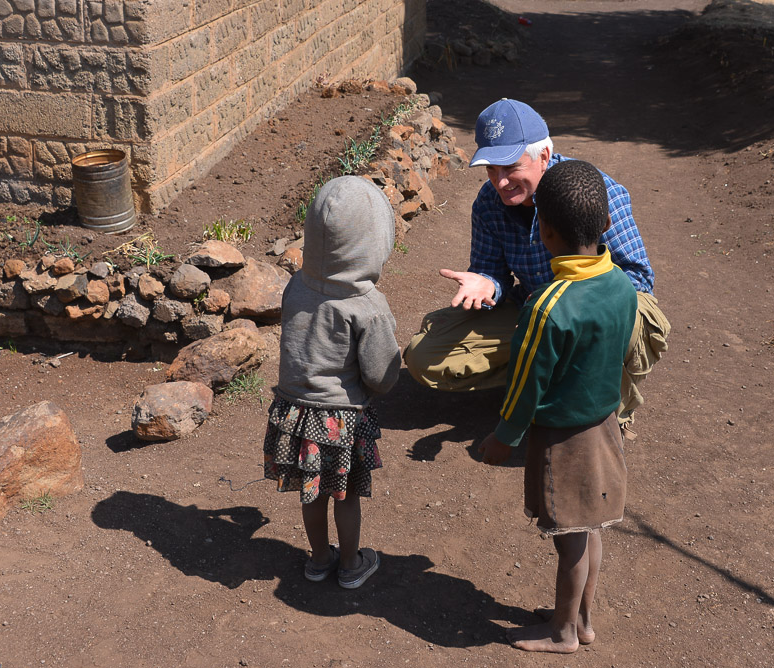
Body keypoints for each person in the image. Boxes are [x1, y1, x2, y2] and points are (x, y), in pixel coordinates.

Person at [404, 98, 669, 439]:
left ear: (543, 156)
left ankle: (605, 410)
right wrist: (488, 284)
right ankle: (539, 379)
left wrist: (574, 305)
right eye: (491, 169)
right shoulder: (489, 203)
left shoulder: (593, 192)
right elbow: (492, 270)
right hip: (532, 312)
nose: (499, 182)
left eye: (511, 167)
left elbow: (639, 277)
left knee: (635, 320)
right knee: (424, 356)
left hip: (598, 310)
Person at [479, 159, 636, 653]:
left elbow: (525, 387)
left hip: (564, 442)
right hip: (606, 426)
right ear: (608, 224)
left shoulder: (548, 306)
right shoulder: (623, 288)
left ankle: (564, 633)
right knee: (590, 528)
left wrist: (502, 439)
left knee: (569, 539)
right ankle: (583, 620)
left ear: (543, 233)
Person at [262, 176, 402, 590]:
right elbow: (382, 376)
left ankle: (320, 559)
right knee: (346, 495)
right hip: (339, 421)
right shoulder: (367, 306)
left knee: (312, 492)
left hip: (293, 411)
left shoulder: (296, 285)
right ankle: (351, 565)